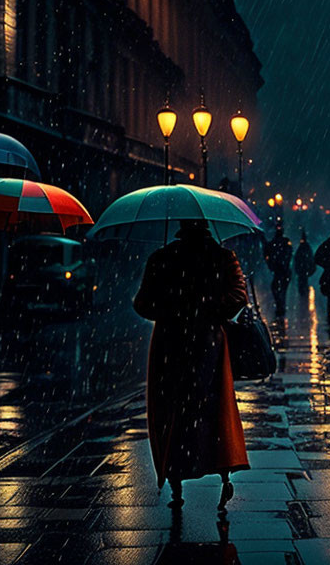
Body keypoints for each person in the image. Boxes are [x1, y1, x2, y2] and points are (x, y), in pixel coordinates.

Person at [133, 219, 249, 510]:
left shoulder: (162, 258)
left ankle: (176, 482)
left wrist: (174, 305)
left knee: (172, 411)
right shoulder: (223, 257)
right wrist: (208, 307)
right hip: (208, 342)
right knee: (213, 408)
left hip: (169, 345)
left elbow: (142, 304)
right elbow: (238, 296)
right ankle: (223, 473)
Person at [264, 224, 293, 320]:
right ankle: (281, 306)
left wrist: (272, 265)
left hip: (280, 271)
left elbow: (267, 253)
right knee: (281, 290)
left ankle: (280, 306)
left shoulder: (274, 243)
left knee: (277, 289)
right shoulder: (284, 243)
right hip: (283, 271)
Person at [293, 230, 316, 297]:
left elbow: (297, 258)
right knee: (303, 281)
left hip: (303, 268)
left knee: (302, 281)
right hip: (304, 268)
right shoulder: (306, 247)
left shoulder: (303, 247)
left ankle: (303, 292)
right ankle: (303, 292)